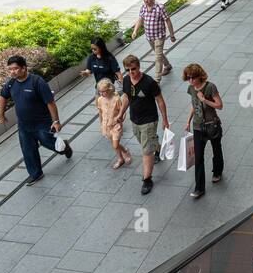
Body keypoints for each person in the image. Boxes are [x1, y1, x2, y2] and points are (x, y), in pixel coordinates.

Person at [0, 54, 72, 187]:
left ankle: (65, 147)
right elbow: (3, 96)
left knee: (48, 142)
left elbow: (50, 102)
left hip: (42, 123)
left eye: (15, 69)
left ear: (24, 68)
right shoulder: (11, 83)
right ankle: (36, 174)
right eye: (10, 69)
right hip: (24, 125)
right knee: (28, 150)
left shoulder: (37, 82)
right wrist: (1, 114)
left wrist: (56, 121)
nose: (12, 72)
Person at [118, 53, 171, 195]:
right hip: (134, 119)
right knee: (146, 143)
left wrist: (165, 119)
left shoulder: (149, 82)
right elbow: (127, 97)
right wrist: (121, 113)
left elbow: (160, 100)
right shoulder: (126, 81)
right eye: (128, 70)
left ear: (139, 67)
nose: (131, 73)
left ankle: (147, 179)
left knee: (146, 151)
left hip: (149, 120)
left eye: (133, 69)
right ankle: (158, 149)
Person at [183, 63, 224, 199]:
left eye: (193, 78)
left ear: (200, 76)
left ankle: (217, 171)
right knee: (198, 157)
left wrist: (204, 99)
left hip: (212, 125)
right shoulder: (191, 88)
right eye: (188, 78)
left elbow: (219, 105)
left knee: (216, 149)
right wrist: (188, 121)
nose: (191, 81)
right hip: (198, 126)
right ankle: (199, 188)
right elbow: (194, 105)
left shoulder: (210, 87)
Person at [131, 0, 176, 77]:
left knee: (158, 58)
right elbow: (140, 19)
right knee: (158, 53)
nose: (145, 1)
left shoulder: (160, 7)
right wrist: (135, 31)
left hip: (159, 36)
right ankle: (167, 65)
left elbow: (168, 21)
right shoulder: (143, 7)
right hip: (149, 36)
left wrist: (172, 35)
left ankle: (157, 80)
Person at [96, 77, 132, 169]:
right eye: (100, 91)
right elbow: (100, 112)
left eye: (103, 91)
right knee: (114, 144)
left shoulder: (116, 99)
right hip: (106, 125)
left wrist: (121, 119)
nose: (101, 93)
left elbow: (122, 111)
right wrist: (101, 123)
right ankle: (120, 159)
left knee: (115, 145)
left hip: (116, 125)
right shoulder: (100, 100)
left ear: (109, 89)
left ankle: (125, 152)